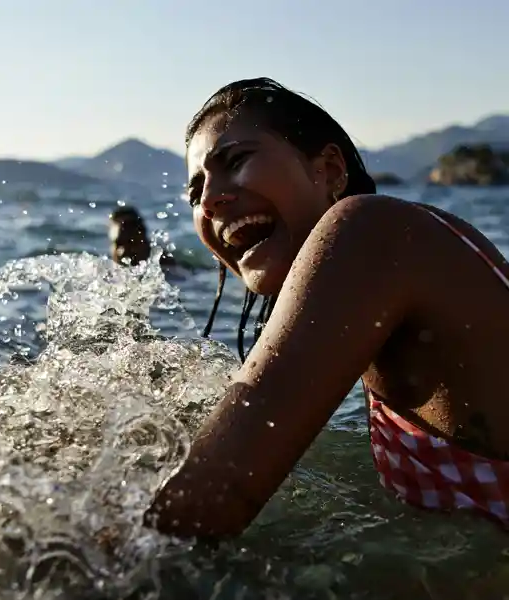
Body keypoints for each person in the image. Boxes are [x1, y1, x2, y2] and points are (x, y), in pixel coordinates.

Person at [143, 78, 509, 537]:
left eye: (235, 160)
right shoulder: (378, 284)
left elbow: (205, 504)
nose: (211, 200)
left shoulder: (370, 231)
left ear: (331, 170)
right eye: (195, 193)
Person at [108, 206, 175, 268]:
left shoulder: (170, 269)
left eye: (130, 243)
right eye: (118, 243)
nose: (123, 251)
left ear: (143, 240)